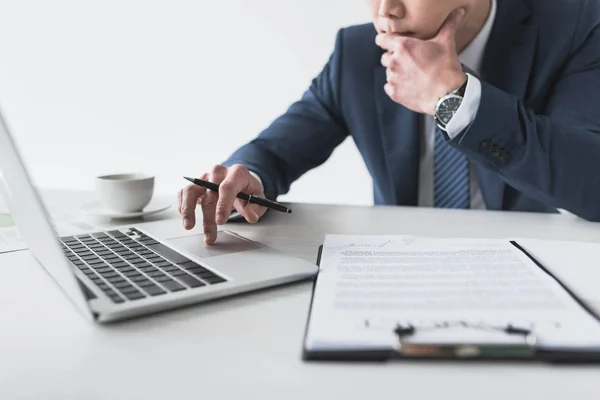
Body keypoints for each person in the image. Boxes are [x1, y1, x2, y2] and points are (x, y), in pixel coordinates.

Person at [179, 0, 600, 244]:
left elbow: (592, 184)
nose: (386, 11)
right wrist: (247, 177)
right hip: (395, 273)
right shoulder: (359, 50)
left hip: (535, 267)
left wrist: (455, 98)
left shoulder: (577, 26)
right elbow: (277, 149)